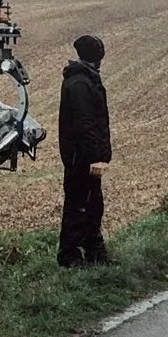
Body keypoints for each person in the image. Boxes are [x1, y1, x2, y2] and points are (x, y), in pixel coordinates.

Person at [58, 34, 113, 267]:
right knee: (79, 205)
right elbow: (86, 123)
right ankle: (70, 256)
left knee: (92, 204)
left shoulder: (84, 78)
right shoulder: (80, 82)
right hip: (80, 158)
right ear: (96, 56)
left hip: (82, 156)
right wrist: (96, 158)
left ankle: (94, 253)